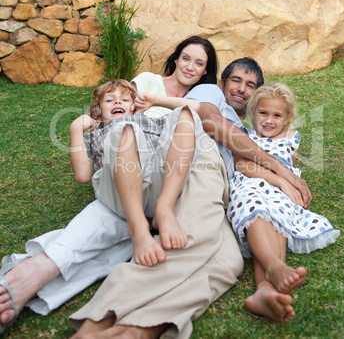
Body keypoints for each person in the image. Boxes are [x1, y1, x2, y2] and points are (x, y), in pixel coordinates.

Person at [69, 58, 313, 338]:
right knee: (192, 240)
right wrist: (283, 173)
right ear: (220, 84)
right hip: (200, 165)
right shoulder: (210, 94)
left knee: (228, 264)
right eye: (236, 80)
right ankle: (97, 323)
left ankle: (136, 330)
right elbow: (206, 119)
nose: (242, 89)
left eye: (251, 85)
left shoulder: (250, 129)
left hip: (223, 191)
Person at [0, 36, 218, 333]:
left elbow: (194, 113)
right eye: (185, 58)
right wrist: (79, 127)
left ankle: (158, 213)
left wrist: (155, 107)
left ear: (205, 70)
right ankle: (138, 229)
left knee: (183, 116)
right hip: (116, 181)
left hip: (155, 181)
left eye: (199, 63)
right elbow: (87, 164)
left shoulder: (161, 114)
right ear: (176, 58)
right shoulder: (127, 103)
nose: (190, 66)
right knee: (122, 132)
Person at [228, 83, 340, 322]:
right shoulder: (245, 136)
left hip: (281, 195)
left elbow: (292, 167)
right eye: (263, 113)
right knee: (256, 209)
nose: (269, 120)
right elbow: (242, 165)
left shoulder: (291, 139)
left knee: (277, 218)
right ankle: (275, 267)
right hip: (250, 184)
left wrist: (290, 186)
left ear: (288, 118)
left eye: (277, 115)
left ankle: (264, 291)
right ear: (252, 112)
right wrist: (281, 182)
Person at [72, 79, 204, 267]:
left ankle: (164, 208)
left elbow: (196, 107)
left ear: (134, 108)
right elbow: (83, 175)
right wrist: (75, 128)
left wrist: (155, 100)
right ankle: (138, 228)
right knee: (124, 130)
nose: (117, 102)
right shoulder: (95, 133)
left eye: (125, 100)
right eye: (110, 100)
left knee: (187, 114)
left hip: (157, 185)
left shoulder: (149, 121)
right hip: (119, 193)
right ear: (98, 114)